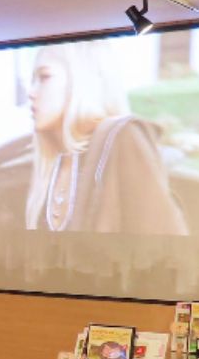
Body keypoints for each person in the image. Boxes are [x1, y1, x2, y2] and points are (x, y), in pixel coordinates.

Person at [24, 41, 188, 234]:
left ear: (82, 80)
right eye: (33, 80)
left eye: (44, 77)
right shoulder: (50, 163)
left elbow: (164, 241)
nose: (30, 92)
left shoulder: (124, 136)